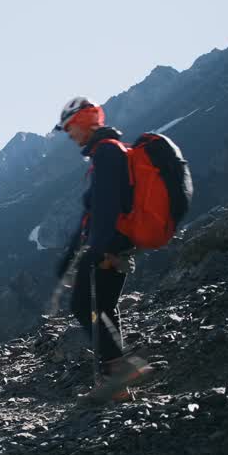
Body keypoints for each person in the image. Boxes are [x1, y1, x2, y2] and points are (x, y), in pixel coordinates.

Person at [54, 96, 153, 401]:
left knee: (85, 305)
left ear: (82, 121)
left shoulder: (107, 153)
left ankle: (119, 371)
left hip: (110, 245)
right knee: (102, 306)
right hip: (117, 243)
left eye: (70, 128)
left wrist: (100, 248)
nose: (70, 136)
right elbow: (97, 210)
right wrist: (71, 256)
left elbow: (107, 206)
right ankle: (117, 385)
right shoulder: (108, 152)